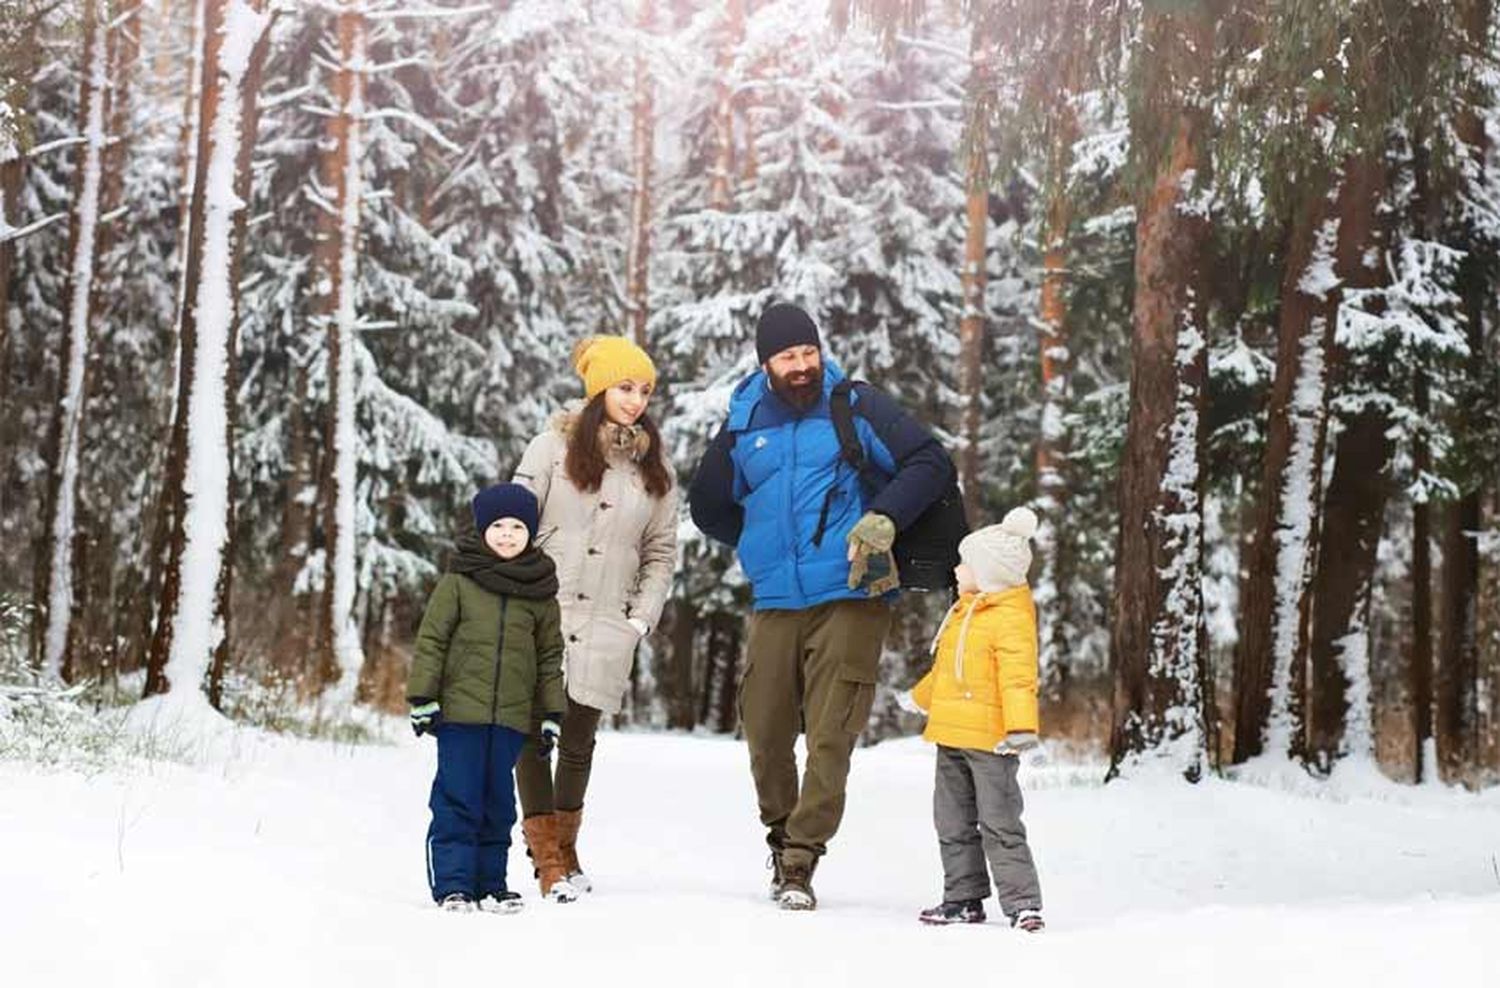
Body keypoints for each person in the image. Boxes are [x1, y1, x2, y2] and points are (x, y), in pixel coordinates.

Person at [688, 302, 952, 911]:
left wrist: (883, 516)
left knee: (830, 735)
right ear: (766, 362)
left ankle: (801, 862)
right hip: (777, 600)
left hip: (853, 593)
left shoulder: (853, 405)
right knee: (765, 729)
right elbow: (709, 507)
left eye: (809, 353)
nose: (802, 366)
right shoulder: (744, 417)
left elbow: (928, 461)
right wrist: (764, 544)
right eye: (788, 357)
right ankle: (781, 840)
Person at [511, 335, 678, 902]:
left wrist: (639, 620)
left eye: (645, 390)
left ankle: (567, 848)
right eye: (625, 386)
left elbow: (660, 553)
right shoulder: (548, 450)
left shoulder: (654, 468)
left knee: (578, 741)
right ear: (599, 387)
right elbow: (513, 523)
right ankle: (547, 858)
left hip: (608, 624)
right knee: (532, 738)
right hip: (543, 616)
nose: (635, 400)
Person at [406, 483, 565, 913]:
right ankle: (454, 885)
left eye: (518, 526)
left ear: (531, 533)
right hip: (459, 715)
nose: (508, 534)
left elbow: (550, 656)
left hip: (512, 718)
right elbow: (432, 641)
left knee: (498, 804)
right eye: (498, 525)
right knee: (458, 797)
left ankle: (491, 883)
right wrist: (423, 697)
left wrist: (551, 711)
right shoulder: (458, 582)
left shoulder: (541, 592)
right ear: (482, 530)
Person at [898, 507, 1046, 933]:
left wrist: (1021, 730)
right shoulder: (964, 612)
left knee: (999, 821)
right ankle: (963, 898)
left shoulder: (1010, 619)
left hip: (992, 743)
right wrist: (919, 697)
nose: (957, 569)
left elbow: (1019, 679)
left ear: (991, 573)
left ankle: (1023, 904)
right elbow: (947, 671)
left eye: (965, 563)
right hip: (951, 736)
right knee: (952, 820)